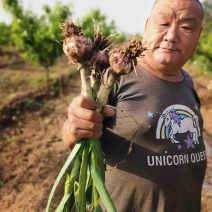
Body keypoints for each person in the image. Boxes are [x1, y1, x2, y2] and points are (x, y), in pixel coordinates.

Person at [62, 0, 207, 211]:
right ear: (147, 26)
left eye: (186, 27)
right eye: (163, 23)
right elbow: (76, 127)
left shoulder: (187, 82)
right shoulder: (116, 77)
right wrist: (73, 127)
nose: (171, 36)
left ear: (198, 35)